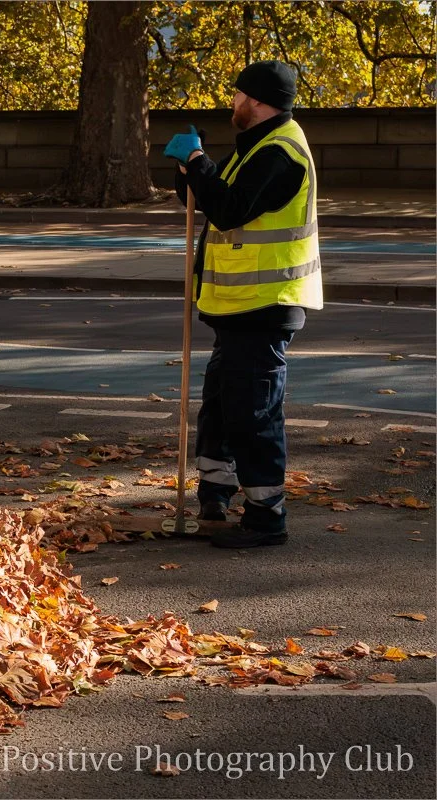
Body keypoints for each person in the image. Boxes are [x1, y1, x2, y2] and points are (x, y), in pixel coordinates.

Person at [164, 60, 322, 548]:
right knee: (221, 406)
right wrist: (189, 170)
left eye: (237, 94)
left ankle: (265, 517)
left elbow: (231, 209)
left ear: (256, 100)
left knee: (254, 413)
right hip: (238, 305)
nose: (232, 102)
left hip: (264, 303)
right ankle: (215, 495)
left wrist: (198, 162)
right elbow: (211, 198)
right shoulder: (254, 145)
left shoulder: (280, 152)